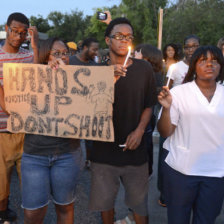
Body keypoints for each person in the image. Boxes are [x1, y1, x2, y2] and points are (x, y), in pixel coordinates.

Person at [89, 18, 157, 224]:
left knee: (139, 205)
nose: (124, 40)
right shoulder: (95, 72)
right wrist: (109, 79)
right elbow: (87, 106)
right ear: (107, 40)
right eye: (119, 36)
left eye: (128, 37)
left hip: (135, 151)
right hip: (102, 151)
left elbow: (149, 104)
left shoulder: (144, 68)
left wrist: (139, 131)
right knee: (105, 204)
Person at [157, 45, 224, 224]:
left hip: (216, 173)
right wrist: (166, 109)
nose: (209, 65)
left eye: (215, 61)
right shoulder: (179, 93)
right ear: (194, 65)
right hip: (181, 171)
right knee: (178, 219)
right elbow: (166, 131)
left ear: (221, 66)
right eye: (203, 61)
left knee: (206, 220)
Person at [20, 37, 83, 224]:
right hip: (35, 155)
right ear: (45, 56)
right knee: (33, 213)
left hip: (67, 154)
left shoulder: (77, 80)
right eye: (56, 53)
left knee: (65, 206)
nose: (63, 57)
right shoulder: (31, 80)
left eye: (65, 53)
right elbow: (14, 106)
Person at [0, 12, 39, 223]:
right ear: (7, 28)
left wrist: (34, 45)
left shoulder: (28, 55)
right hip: (2, 132)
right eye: (15, 31)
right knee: (1, 183)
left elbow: (40, 79)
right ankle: (3, 213)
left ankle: (30, 216)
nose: (18, 36)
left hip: (26, 130)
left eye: (23, 33)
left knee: (30, 182)